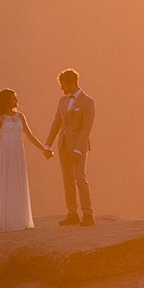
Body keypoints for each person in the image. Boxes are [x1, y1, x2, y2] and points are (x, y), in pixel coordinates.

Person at [0, 87, 52, 232]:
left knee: (18, 182)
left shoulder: (20, 117)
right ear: (7, 101)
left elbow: (29, 135)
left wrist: (44, 150)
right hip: (4, 153)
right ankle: (6, 222)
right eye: (14, 98)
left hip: (18, 153)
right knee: (6, 183)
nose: (17, 100)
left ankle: (18, 220)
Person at [48, 67, 96, 225]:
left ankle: (87, 213)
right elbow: (57, 122)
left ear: (71, 83)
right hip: (63, 145)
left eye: (63, 85)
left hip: (78, 147)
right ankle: (72, 212)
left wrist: (78, 149)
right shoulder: (62, 101)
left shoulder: (87, 102)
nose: (62, 88)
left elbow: (86, 128)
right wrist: (48, 144)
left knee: (80, 178)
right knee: (67, 179)